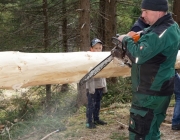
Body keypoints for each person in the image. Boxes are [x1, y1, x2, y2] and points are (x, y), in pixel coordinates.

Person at [114, 0, 180, 139]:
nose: (142, 15)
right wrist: (138, 36)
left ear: (158, 11)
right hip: (157, 88)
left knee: (141, 134)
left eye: (146, 11)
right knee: (151, 132)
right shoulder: (169, 26)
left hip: (150, 93)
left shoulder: (161, 32)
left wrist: (126, 40)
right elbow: (152, 48)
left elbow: (139, 55)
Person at [86, 38, 107, 129]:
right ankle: (89, 122)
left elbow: (104, 74)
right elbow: (89, 75)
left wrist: (104, 86)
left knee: (98, 104)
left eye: (100, 48)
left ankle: (96, 119)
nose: (98, 50)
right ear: (91, 49)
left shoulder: (103, 58)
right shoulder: (89, 59)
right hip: (92, 88)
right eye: (96, 48)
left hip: (100, 86)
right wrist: (91, 89)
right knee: (91, 105)